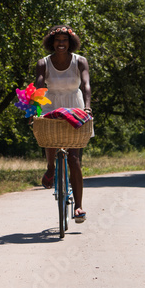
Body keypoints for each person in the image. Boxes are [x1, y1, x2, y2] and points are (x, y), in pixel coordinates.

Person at [35, 24, 92, 223]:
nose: (61, 43)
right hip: (51, 106)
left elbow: (85, 85)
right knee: (50, 139)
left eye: (65, 40)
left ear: (71, 42)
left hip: (75, 107)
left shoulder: (80, 61)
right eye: (58, 40)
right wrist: (37, 111)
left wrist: (87, 107)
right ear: (52, 42)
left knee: (74, 158)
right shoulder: (43, 63)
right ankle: (51, 168)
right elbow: (39, 86)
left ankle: (78, 206)